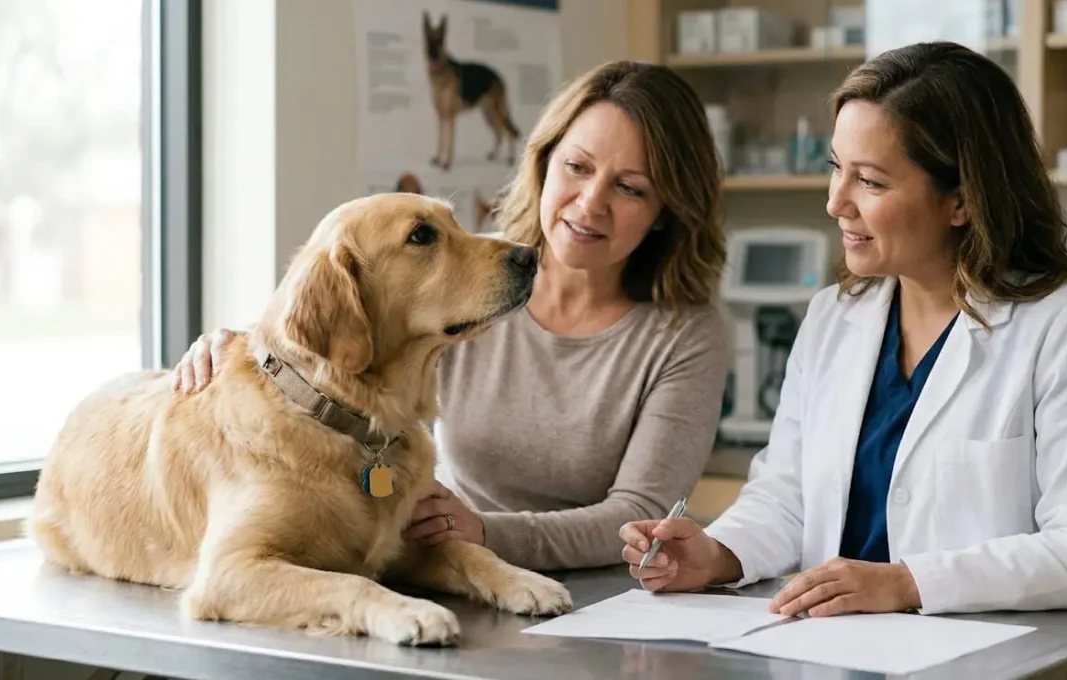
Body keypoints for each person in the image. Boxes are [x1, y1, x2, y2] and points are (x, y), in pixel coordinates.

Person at [619, 41, 1067, 618]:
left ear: (962, 201)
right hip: (843, 651)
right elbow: (787, 496)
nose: (835, 202)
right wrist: (717, 552)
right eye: (835, 169)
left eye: (870, 181)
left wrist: (906, 583)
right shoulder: (833, 316)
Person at [174, 60, 730, 572]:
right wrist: (250, 351)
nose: (589, 204)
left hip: (588, 593)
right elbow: (353, 339)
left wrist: (485, 532)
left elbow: (640, 517)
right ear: (544, 162)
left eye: (630, 188)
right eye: (577, 167)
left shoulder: (684, 336)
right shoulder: (473, 281)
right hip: (439, 565)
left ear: (665, 213)